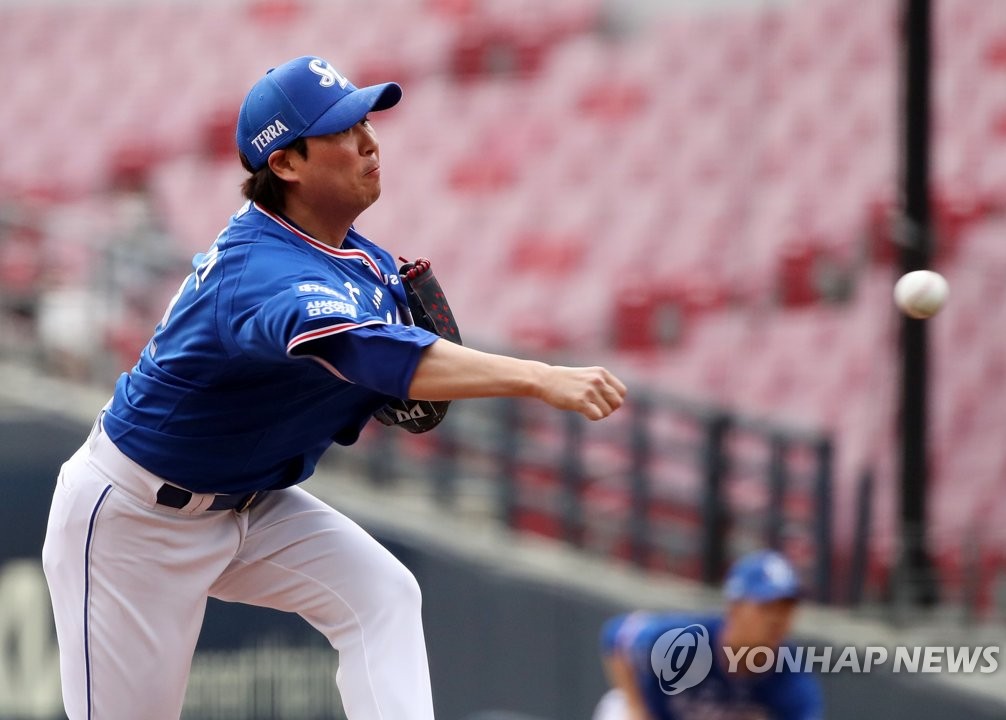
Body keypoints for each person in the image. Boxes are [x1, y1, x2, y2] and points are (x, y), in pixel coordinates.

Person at [41, 55, 627, 720]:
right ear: (286, 164)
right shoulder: (260, 267)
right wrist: (540, 377)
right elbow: (363, 349)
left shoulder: (366, 262)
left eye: (367, 121)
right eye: (343, 129)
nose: (370, 141)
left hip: (251, 505)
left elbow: (376, 370)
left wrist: (393, 383)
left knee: (381, 594)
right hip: (133, 522)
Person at [597, 550, 822, 720]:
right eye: (766, 608)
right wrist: (638, 710)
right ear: (735, 608)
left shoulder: (789, 673)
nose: (777, 619)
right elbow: (616, 635)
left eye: (786, 609)